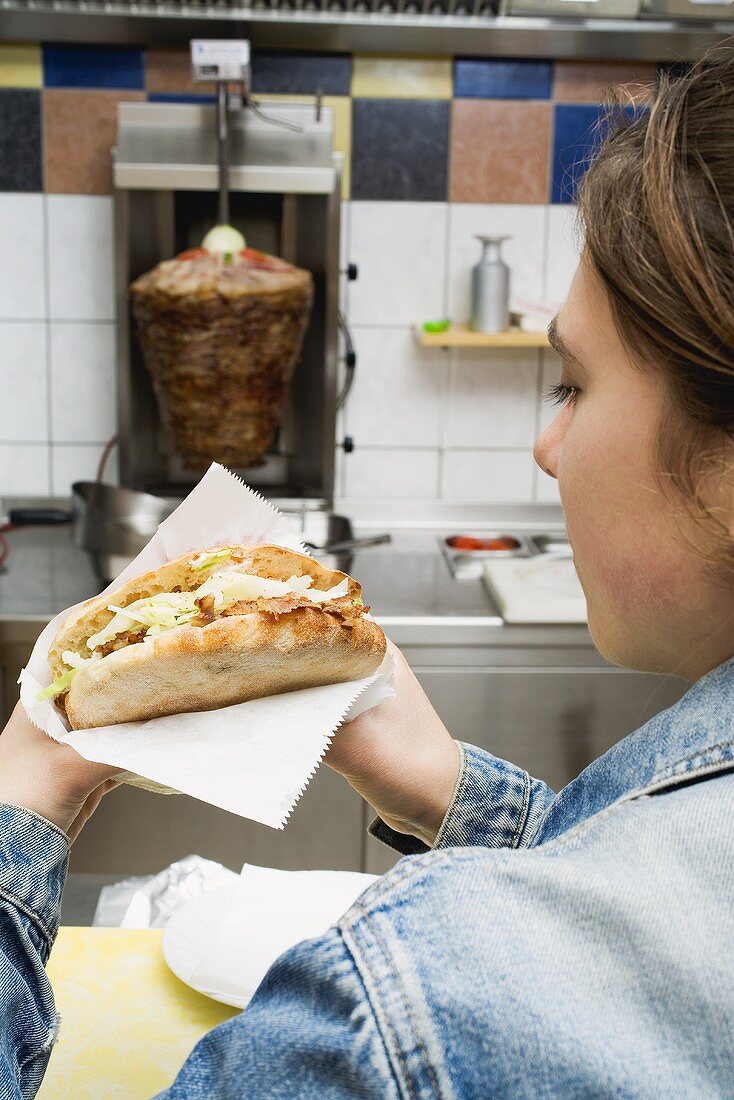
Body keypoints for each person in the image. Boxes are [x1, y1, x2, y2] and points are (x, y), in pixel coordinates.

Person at [2, 47, 734, 1099]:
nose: (547, 446)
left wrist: (19, 799)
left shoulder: (398, 1009)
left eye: (572, 383)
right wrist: (450, 791)